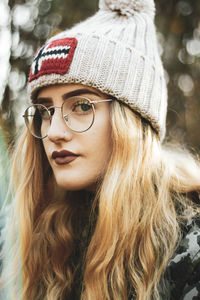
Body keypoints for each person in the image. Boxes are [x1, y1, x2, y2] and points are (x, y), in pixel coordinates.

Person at [1, 0, 200, 299]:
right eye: (45, 111)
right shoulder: (30, 238)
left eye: (81, 106)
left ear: (132, 120)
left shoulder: (189, 245)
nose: (53, 132)